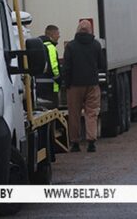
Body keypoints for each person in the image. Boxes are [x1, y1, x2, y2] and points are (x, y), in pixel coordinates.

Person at [63, 20, 105, 153]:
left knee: (74, 113)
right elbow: (101, 64)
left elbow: (67, 67)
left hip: (74, 85)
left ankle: (75, 142)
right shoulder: (96, 45)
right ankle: (91, 141)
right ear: (90, 30)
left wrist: (67, 83)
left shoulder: (71, 46)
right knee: (91, 112)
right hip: (92, 84)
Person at [39, 25, 61, 104]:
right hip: (50, 87)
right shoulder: (50, 47)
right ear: (52, 35)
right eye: (58, 34)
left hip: (39, 86)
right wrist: (59, 80)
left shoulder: (40, 46)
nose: (59, 36)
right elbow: (54, 66)